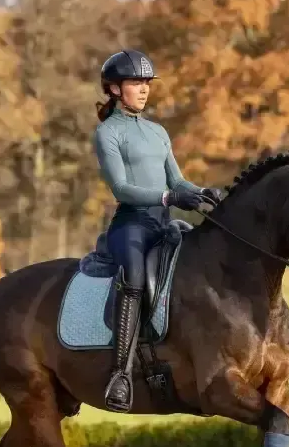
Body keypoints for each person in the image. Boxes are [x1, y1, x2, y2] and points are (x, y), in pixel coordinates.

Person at [93, 48, 223, 412]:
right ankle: (120, 375)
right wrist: (169, 197)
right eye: (136, 82)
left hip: (164, 223)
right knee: (134, 277)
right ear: (115, 88)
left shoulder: (157, 132)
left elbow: (177, 180)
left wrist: (204, 193)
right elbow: (121, 189)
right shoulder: (107, 133)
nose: (144, 89)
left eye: (147, 83)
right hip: (131, 225)